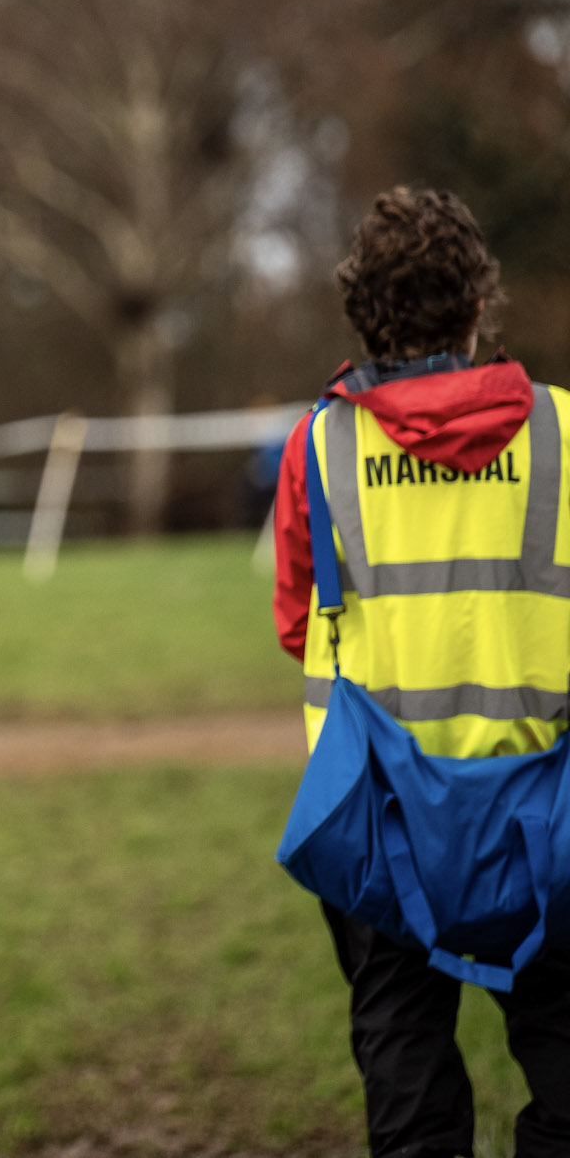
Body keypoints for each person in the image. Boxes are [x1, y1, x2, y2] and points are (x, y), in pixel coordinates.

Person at [272, 186, 570, 1158]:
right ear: (479, 304)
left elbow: (295, 623)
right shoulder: (564, 433)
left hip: (377, 818)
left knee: (407, 1082)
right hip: (548, 814)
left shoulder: (318, 445)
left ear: (363, 315)